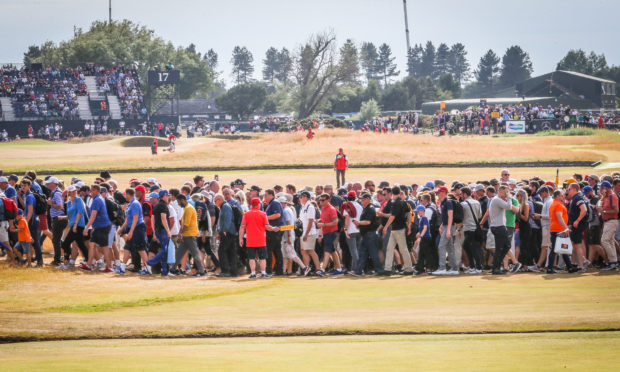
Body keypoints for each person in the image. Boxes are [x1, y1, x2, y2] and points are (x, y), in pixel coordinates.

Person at [240, 198, 279, 279]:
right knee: (262, 257)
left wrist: (240, 238)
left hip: (250, 239)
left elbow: (242, 227)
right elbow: (267, 227)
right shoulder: (263, 214)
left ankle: (253, 273)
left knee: (251, 257)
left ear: (251, 205)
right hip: (261, 239)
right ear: (258, 205)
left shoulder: (246, 214)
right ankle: (263, 273)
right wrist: (273, 228)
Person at [382, 186, 414, 275]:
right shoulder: (403, 202)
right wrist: (409, 225)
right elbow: (410, 213)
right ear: (399, 193)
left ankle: (409, 269)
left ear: (392, 193)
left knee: (403, 249)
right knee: (390, 248)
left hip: (397, 229)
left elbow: (392, 217)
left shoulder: (395, 203)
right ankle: (388, 268)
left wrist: (385, 227)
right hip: (397, 229)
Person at [80, 185, 113, 272]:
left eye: (92, 190)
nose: (90, 192)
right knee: (92, 244)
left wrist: (86, 228)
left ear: (96, 191)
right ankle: (89, 265)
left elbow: (93, 215)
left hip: (102, 226)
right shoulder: (98, 198)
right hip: (99, 226)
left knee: (104, 246)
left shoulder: (97, 200)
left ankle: (109, 266)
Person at [488, 185, 520, 275]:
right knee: (505, 246)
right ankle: (496, 267)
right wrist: (509, 198)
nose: (507, 194)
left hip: (497, 226)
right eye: (506, 192)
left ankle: (496, 267)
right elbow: (509, 207)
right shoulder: (497, 199)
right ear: (501, 191)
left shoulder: (496, 199)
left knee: (501, 248)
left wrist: (507, 198)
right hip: (499, 227)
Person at [547, 190, 579, 274]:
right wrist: (566, 228)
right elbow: (559, 216)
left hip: (555, 228)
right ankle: (550, 268)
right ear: (557, 196)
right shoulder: (558, 204)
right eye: (561, 195)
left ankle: (570, 267)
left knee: (562, 249)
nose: (563, 197)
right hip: (559, 229)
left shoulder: (553, 204)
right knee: (556, 249)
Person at [278, 195, 311, 276]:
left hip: (288, 235)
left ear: (282, 203)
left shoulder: (285, 211)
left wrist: (288, 236)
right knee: (285, 254)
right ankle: (284, 271)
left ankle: (304, 267)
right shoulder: (288, 209)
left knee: (291, 254)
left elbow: (289, 224)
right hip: (288, 234)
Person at [175, 194, 206, 277]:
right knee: (180, 253)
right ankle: (174, 269)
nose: (178, 204)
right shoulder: (187, 208)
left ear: (182, 200)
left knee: (195, 254)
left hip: (190, 234)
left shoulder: (188, 209)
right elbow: (183, 223)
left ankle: (202, 271)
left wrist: (180, 234)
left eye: (178, 201)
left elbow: (186, 224)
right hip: (187, 234)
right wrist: (180, 233)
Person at [58, 185, 89, 270]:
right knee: (81, 245)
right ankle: (88, 261)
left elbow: (80, 212)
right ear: (69, 193)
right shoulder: (68, 203)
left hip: (78, 225)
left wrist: (75, 224)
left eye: (75, 190)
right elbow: (70, 215)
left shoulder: (78, 200)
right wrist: (63, 217)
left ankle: (66, 263)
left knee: (65, 244)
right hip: (73, 225)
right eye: (72, 191)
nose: (74, 192)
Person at [352, 193, 383, 276]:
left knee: (373, 253)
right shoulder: (366, 208)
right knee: (362, 253)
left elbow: (368, 222)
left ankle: (379, 270)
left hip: (370, 235)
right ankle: (358, 271)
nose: (361, 201)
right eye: (361, 199)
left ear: (368, 199)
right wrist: (359, 225)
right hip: (366, 235)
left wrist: (358, 222)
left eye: (363, 199)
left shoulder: (370, 208)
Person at [146, 190, 173, 276]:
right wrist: (168, 231)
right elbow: (163, 218)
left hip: (157, 230)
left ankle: (165, 271)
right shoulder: (163, 206)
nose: (168, 197)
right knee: (166, 250)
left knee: (165, 251)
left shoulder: (157, 205)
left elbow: (152, 219)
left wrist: (154, 232)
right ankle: (150, 262)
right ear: (164, 196)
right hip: (163, 231)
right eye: (167, 196)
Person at [317, 193, 344, 276]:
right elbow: (325, 219)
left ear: (328, 200)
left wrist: (323, 224)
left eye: (323, 200)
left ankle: (322, 269)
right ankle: (339, 269)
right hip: (326, 232)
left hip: (331, 232)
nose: (320, 201)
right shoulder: (323, 208)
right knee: (332, 251)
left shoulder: (331, 209)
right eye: (320, 200)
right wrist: (319, 221)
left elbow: (335, 222)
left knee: (327, 251)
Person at [214, 194, 238, 277]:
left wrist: (224, 230)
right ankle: (233, 271)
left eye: (215, 201)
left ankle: (225, 271)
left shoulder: (225, 207)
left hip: (228, 232)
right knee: (231, 252)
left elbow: (227, 219)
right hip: (229, 232)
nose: (215, 203)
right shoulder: (224, 206)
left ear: (220, 199)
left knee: (222, 251)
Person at [298, 191, 321, 274]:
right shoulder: (303, 207)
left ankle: (318, 269)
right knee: (303, 251)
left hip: (309, 233)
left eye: (301, 197)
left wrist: (306, 234)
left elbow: (310, 221)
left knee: (310, 250)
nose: (299, 198)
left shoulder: (310, 207)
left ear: (306, 197)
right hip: (303, 232)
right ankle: (307, 269)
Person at [461, 187, 483, 274]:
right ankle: (473, 266)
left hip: (468, 228)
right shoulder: (477, 202)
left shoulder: (463, 204)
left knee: (473, 248)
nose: (461, 196)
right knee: (469, 247)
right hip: (475, 228)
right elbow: (480, 216)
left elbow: (461, 217)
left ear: (465, 194)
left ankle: (477, 267)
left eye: (462, 194)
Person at [598, 181, 619, 270]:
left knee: (604, 240)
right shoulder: (606, 197)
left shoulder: (612, 196)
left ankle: (613, 262)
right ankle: (614, 261)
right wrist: (602, 196)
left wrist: (604, 212)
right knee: (610, 241)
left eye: (602, 188)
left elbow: (616, 210)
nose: (600, 189)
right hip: (607, 221)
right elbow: (599, 205)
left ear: (606, 188)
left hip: (611, 221)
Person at [264, 189, 284, 275]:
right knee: (276, 250)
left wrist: (265, 218)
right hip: (274, 229)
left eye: (266, 195)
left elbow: (277, 214)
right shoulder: (271, 203)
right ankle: (278, 270)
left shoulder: (275, 203)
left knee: (270, 250)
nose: (265, 197)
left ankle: (269, 270)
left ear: (271, 195)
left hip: (275, 229)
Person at [414, 205, 434, 274]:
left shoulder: (424, 218)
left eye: (418, 211)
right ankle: (421, 269)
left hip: (426, 238)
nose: (417, 213)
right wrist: (419, 233)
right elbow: (422, 229)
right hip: (424, 237)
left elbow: (425, 228)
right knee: (421, 254)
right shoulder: (421, 219)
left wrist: (420, 237)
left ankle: (428, 268)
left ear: (422, 211)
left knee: (426, 253)